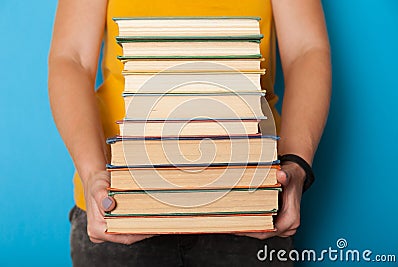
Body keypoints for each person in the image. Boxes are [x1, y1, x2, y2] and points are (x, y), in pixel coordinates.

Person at [48, 0, 331, 266]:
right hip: (121, 201)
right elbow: (71, 58)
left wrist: (296, 165)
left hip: (249, 200)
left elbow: (305, 51)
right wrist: (92, 174)